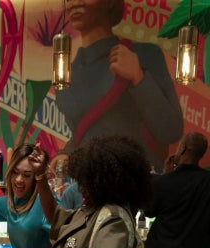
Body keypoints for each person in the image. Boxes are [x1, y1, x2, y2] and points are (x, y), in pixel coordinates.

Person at [53, 0, 182, 172]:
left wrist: (138, 77)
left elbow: (171, 130)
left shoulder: (144, 54)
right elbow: (85, 131)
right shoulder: (67, 73)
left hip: (136, 178)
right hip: (90, 178)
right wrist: (66, 153)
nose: (75, 3)